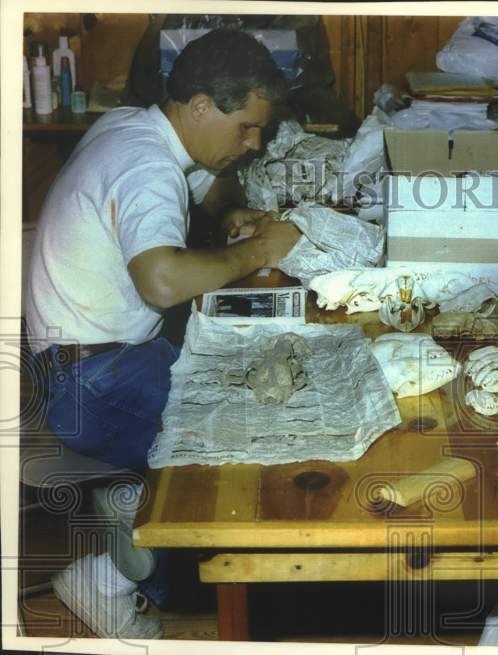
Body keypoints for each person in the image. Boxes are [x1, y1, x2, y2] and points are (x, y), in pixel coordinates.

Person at [25, 28, 301, 639]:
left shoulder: (137, 124)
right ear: (200, 106)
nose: (253, 144)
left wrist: (226, 211)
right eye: (246, 128)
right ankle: (119, 572)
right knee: (247, 449)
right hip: (89, 386)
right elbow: (162, 280)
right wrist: (258, 248)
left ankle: (135, 500)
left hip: (88, 360)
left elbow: (207, 183)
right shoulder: (145, 162)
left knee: (250, 381)